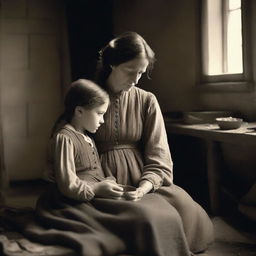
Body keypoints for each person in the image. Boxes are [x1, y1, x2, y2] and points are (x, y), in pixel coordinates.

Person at [15, 79, 192, 256]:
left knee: (157, 206)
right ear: (79, 111)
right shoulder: (65, 138)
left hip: (96, 193)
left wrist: (108, 187)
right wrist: (98, 188)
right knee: (143, 216)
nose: (102, 121)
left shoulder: (88, 138)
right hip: (76, 200)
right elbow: (68, 185)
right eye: (99, 114)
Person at [93, 31, 214, 254]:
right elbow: (69, 141)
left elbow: (159, 154)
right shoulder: (87, 96)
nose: (136, 79)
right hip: (99, 176)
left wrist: (144, 187)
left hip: (140, 176)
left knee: (186, 210)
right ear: (111, 64)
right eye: (130, 71)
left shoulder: (147, 100)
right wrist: (92, 184)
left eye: (141, 72)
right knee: (146, 219)